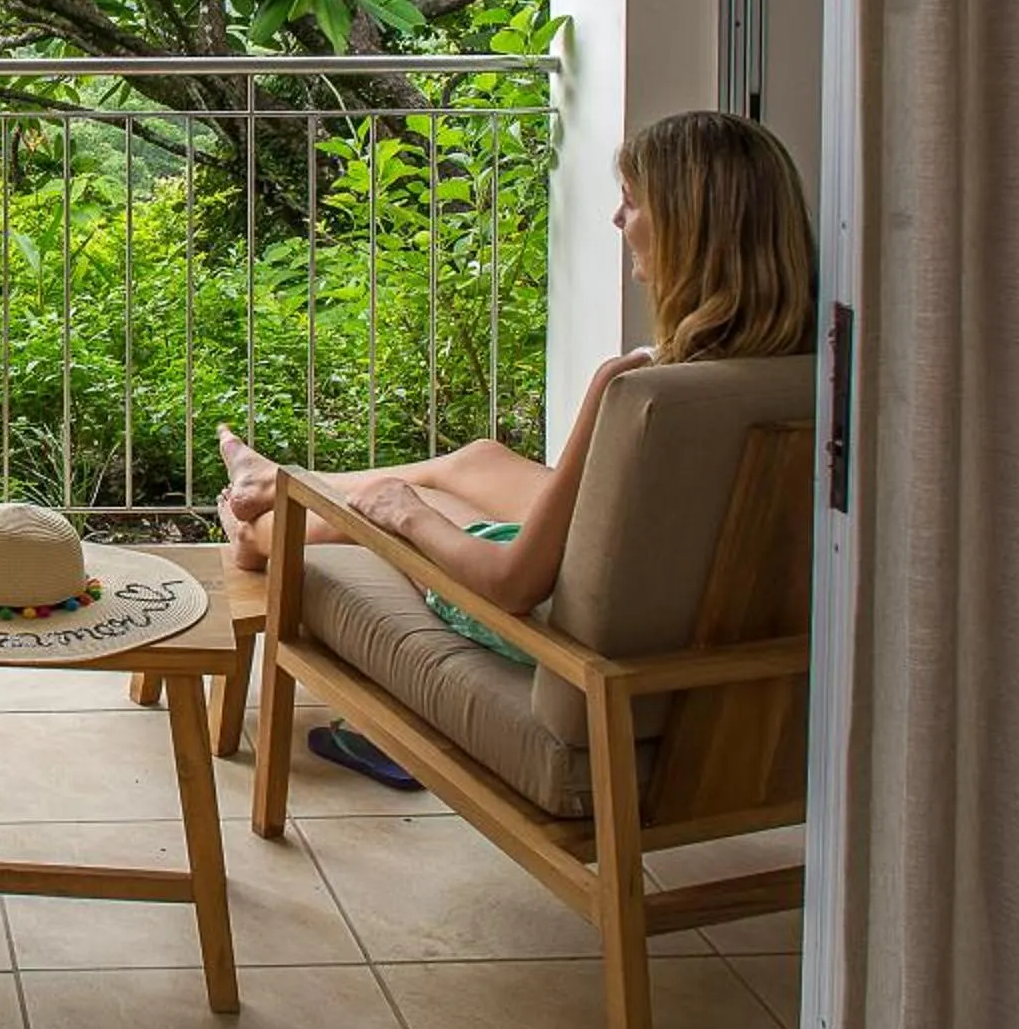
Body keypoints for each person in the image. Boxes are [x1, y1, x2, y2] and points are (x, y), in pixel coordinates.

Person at [214, 109, 818, 685]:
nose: (617, 219)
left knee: (399, 500)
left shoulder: (636, 387)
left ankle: (256, 533)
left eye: (632, 202)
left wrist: (409, 512)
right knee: (477, 458)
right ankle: (277, 482)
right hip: (652, 596)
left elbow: (512, 584)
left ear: (689, 226)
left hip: (560, 632)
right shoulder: (807, 372)